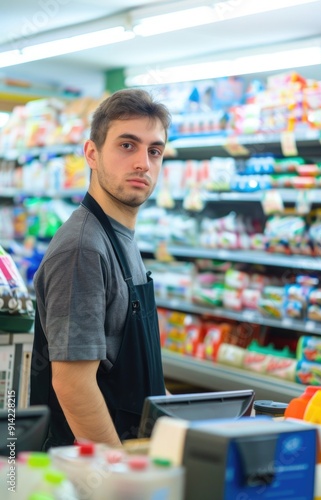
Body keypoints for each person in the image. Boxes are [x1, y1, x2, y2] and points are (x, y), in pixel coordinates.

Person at [30, 88, 172, 450]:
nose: (143, 162)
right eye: (127, 145)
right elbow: (73, 384)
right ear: (92, 154)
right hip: (89, 472)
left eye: (154, 151)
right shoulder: (83, 248)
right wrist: (119, 474)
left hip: (136, 450)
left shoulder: (120, 238)